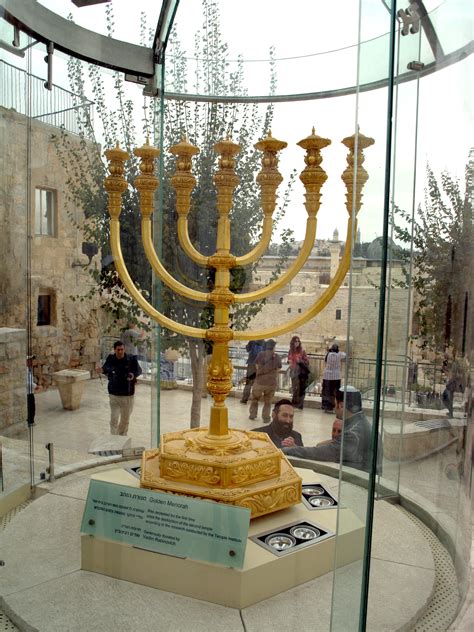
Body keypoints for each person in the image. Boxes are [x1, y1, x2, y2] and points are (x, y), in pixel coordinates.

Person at [282, 385, 373, 472]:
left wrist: (288, 450)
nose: (334, 407)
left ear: (341, 405)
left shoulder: (353, 433)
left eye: (335, 403)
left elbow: (322, 453)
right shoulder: (360, 422)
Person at [98, 340, 142, 436]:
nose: (120, 352)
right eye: (118, 350)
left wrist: (133, 375)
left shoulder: (131, 359)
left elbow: (138, 371)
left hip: (127, 396)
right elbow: (105, 369)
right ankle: (113, 438)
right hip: (114, 394)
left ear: (124, 349)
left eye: (122, 349)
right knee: (114, 418)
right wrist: (102, 370)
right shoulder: (111, 358)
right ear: (114, 350)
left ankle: (122, 437)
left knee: (125, 420)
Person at [249, 339, 282, 423]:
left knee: (255, 399)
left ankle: (253, 414)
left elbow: (256, 365)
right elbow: (278, 368)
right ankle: (266, 417)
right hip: (271, 382)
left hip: (260, 381)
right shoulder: (277, 356)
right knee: (268, 401)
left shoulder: (261, 354)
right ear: (273, 347)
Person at [321, 343, 346, 413]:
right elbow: (345, 355)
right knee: (335, 393)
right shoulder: (339, 354)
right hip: (336, 376)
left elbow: (324, 360)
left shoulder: (327, 354)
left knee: (327, 392)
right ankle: (334, 406)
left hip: (327, 376)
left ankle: (326, 407)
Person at [287, 335, 310, 410]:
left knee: (300, 388)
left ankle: (299, 404)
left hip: (300, 372)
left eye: (298, 341)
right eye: (295, 341)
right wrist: (289, 361)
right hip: (293, 371)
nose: (297, 343)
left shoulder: (302, 351)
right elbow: (289, 359)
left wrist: (299, 361)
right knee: (294, 388)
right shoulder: (291, 351)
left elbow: (307, 361)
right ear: (292, 342)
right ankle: (294, 403)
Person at [240, 339, 265, 404]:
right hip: (260, 364)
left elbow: (248, 349)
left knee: (248, 382)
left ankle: (244, 399)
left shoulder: (252, 341)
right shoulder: (264, 342)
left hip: (251, 364)